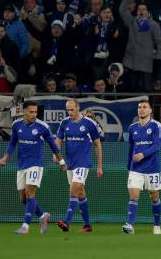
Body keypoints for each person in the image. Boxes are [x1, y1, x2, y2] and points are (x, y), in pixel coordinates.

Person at [0, 100, 66, 235]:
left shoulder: (42, 127)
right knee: (23, 199)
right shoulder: (16, 125)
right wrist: (6, 157)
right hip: (21, 165)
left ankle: (25, 227)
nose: (34, 114)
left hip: (36, 164)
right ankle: (42, 216)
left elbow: (53, 145)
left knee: (30, 193)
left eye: (35, 112)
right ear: (24, 111)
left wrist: (62, 161)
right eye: (31, 112)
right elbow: (12, 143)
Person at [56, 99, 103, 233]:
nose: (70, 112)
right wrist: (56, 153)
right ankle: (87, 225)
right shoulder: (64, 123)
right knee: (80, 193)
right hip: (70, 163)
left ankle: (66, 222)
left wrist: (99, 166)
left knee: (74, 189)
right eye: (68, 110)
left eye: (72, 109)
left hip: (83, 163)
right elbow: (58, 140)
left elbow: (97, 144)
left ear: (78, 108)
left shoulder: (89, 123)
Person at [123, 99, 161, 235]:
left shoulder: (156, 126)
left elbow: (157, 146)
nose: (141, 109)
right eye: (139, 107)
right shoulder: (132, 127)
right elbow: (131, 148)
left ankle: (157, 225)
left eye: (145, 107)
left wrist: (143, 154)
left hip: (152, 167)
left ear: (150, 110)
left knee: (154, 197)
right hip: (136, 168)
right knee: (133, 196)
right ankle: (130, 225)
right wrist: (129, 165)